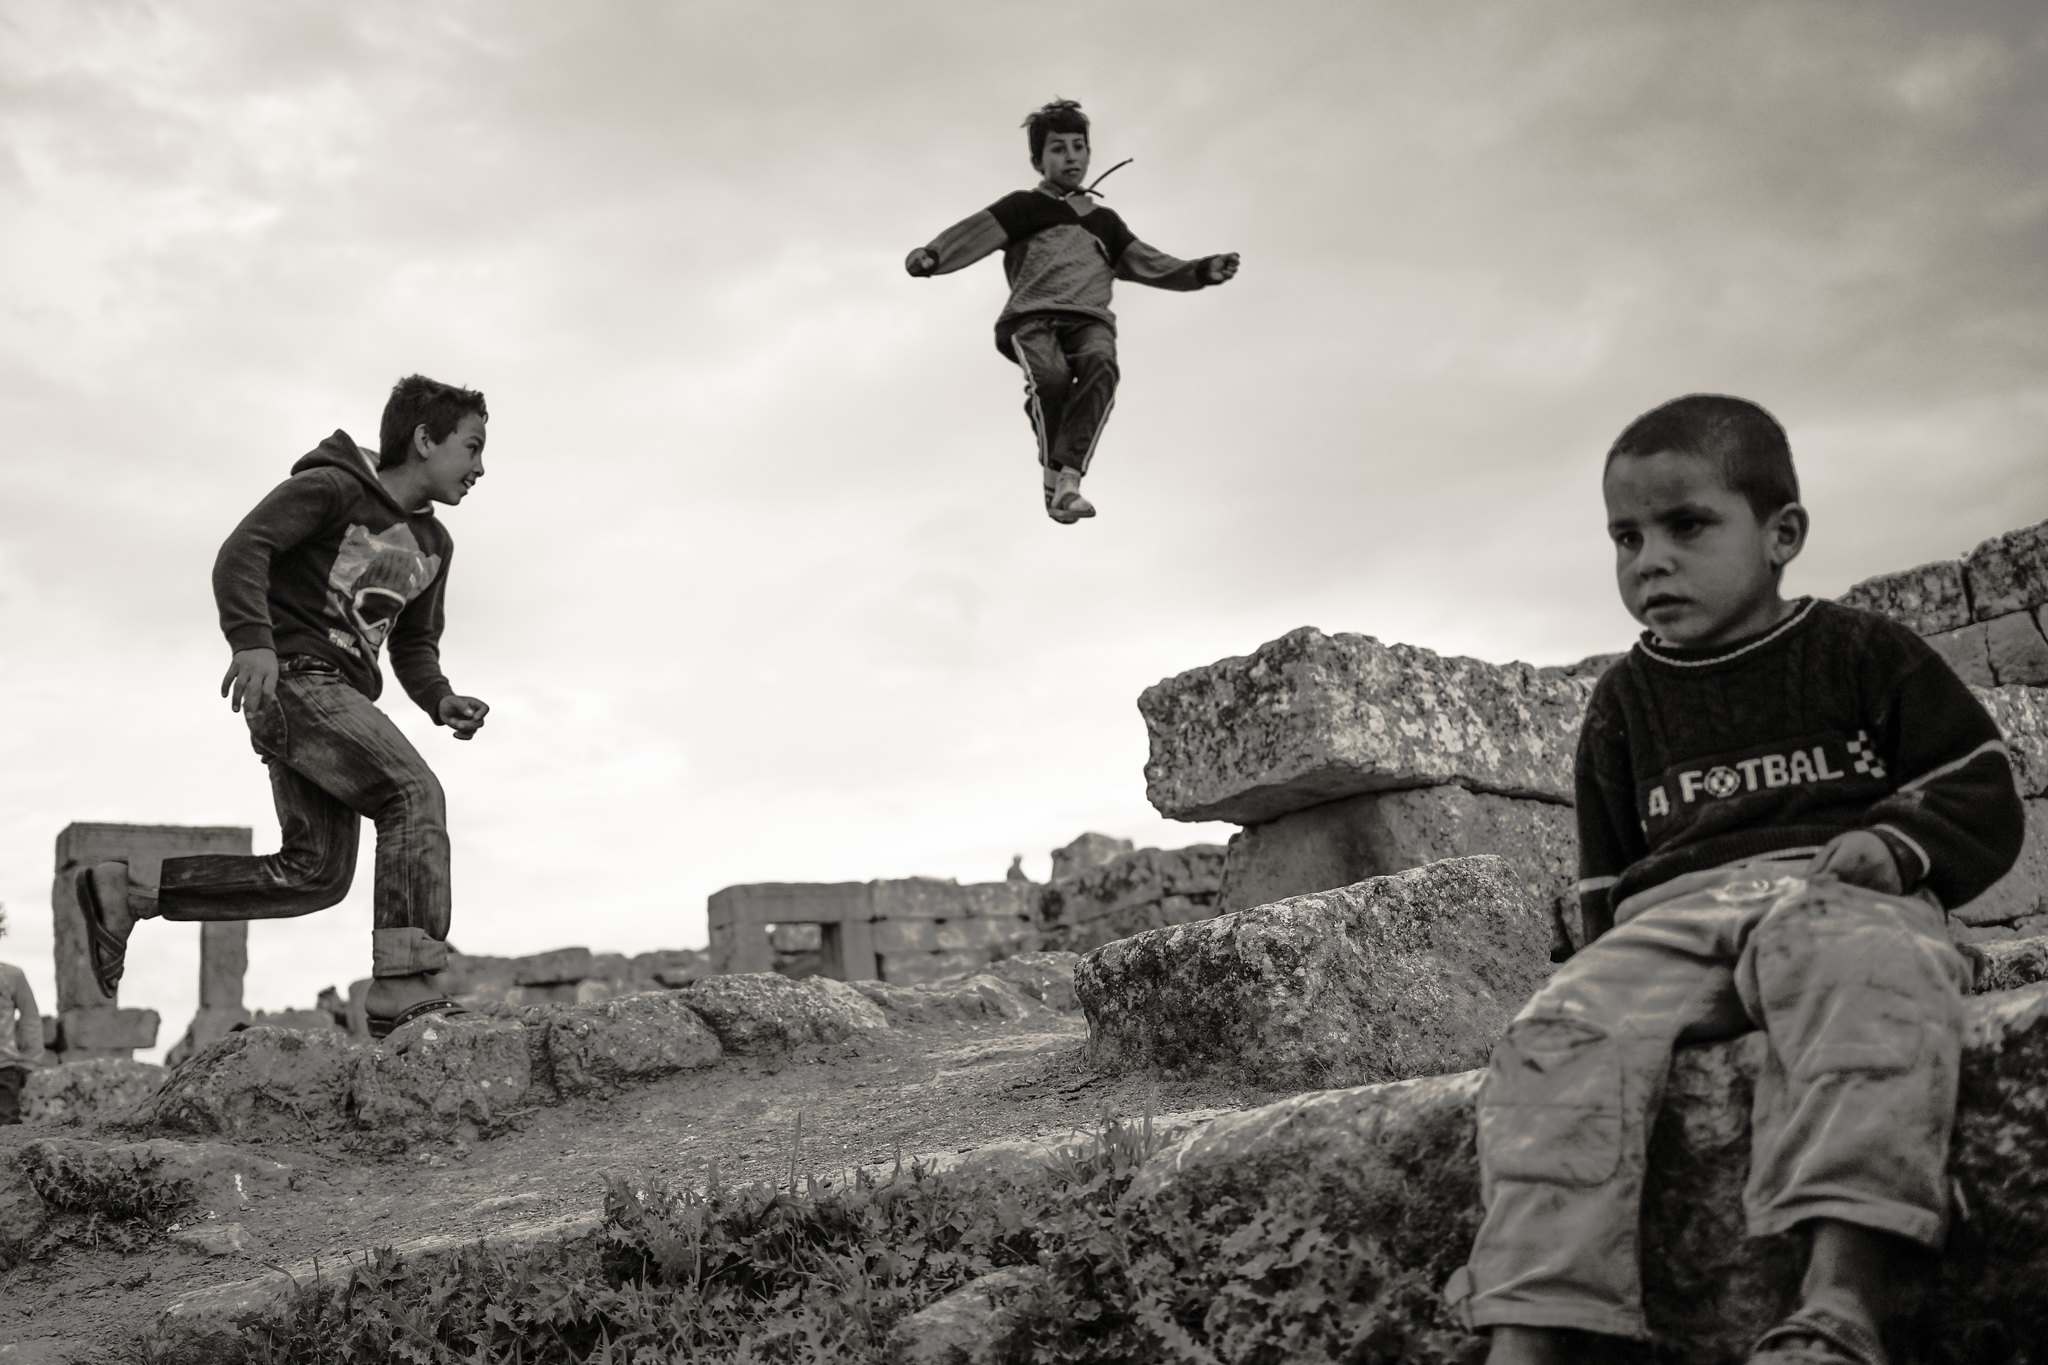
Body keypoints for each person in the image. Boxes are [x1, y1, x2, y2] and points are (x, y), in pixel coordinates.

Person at [1446, 394, 2024, 1365]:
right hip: (1668, 929)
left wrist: (1897, 846)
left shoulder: (1858, 651)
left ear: (1780, 534)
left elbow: (1976, 787)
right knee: (1553, 1034)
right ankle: (1531, 1325)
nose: (1648, 561)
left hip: (1831, 897)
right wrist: (1601, 992)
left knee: (1868, 975)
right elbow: (1604, 878)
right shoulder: (1622, 703)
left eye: (1686, 526)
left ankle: (1840, 1302)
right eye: (1623, 537)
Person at [73, 374, 493, 1041]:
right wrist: (254, 644)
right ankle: (404, 984)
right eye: (470, 447)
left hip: (338, 700)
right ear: (423, 438)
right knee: (412, 794)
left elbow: (414, 643)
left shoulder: (435, 547)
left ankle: (129, 890)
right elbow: (245, 550)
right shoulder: (336, 488)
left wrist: (441, 698)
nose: (479, 466)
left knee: (316, 873)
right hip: (295, 680)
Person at [905, 98, 1240, 524]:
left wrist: (1200, 271)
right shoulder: (1023, 207)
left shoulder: (1105, 222)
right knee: (1052, 380)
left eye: (1078, 147)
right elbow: (974, 231)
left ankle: (1067, 478)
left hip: (1089, 320)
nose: (1071, 157)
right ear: (1037, 160)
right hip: (1033, 317)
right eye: (1058, 148)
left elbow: (1148, 261)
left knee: (1102, 364)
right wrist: (934, 255)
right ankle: (1053, 470)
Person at [0, 959, 42, 1124]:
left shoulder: (11, 975)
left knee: (7, 1134)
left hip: (3, 1070)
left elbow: (30, 1016)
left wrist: (29, 1061)